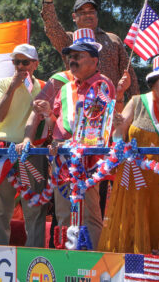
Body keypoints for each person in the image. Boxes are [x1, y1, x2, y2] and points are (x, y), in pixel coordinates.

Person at [98, 54, 159, 254]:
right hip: (135, 177)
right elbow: (118, 137)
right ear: (153, 84)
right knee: (134, 223)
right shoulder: (136, 102)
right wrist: (116, 127)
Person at [34, 33, 115, 249]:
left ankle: (91, 260)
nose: (72, 60)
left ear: (94, 61)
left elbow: (102, 125)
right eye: (70, 56)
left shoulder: (102, 85)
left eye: (78, 56)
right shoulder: (65, 88)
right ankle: (65, 257)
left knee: (89, 213)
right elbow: (55, 126)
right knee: (63, 211)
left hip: (87, 156)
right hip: (62, 155)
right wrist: (47, 114)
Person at [41, 0, 139, 99]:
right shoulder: (69, 40)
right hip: (79, 101)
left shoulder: (113, 39)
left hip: (111, 104)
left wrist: (135, 105)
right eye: (82, 13)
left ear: (97, 15)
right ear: (74, 17)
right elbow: (52, 28)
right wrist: (48, 1)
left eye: (91, 11)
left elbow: (128, 74)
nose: (88, 15)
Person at [0, 43, 44, 247]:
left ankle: (34, 259)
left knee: (34, 208)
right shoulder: (2, 83)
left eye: (25, 62)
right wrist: (12, 87)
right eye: (16, 62)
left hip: (31, 152)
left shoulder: (43, 87)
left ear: (35, 64)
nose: (20, 66)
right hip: (3, 151)